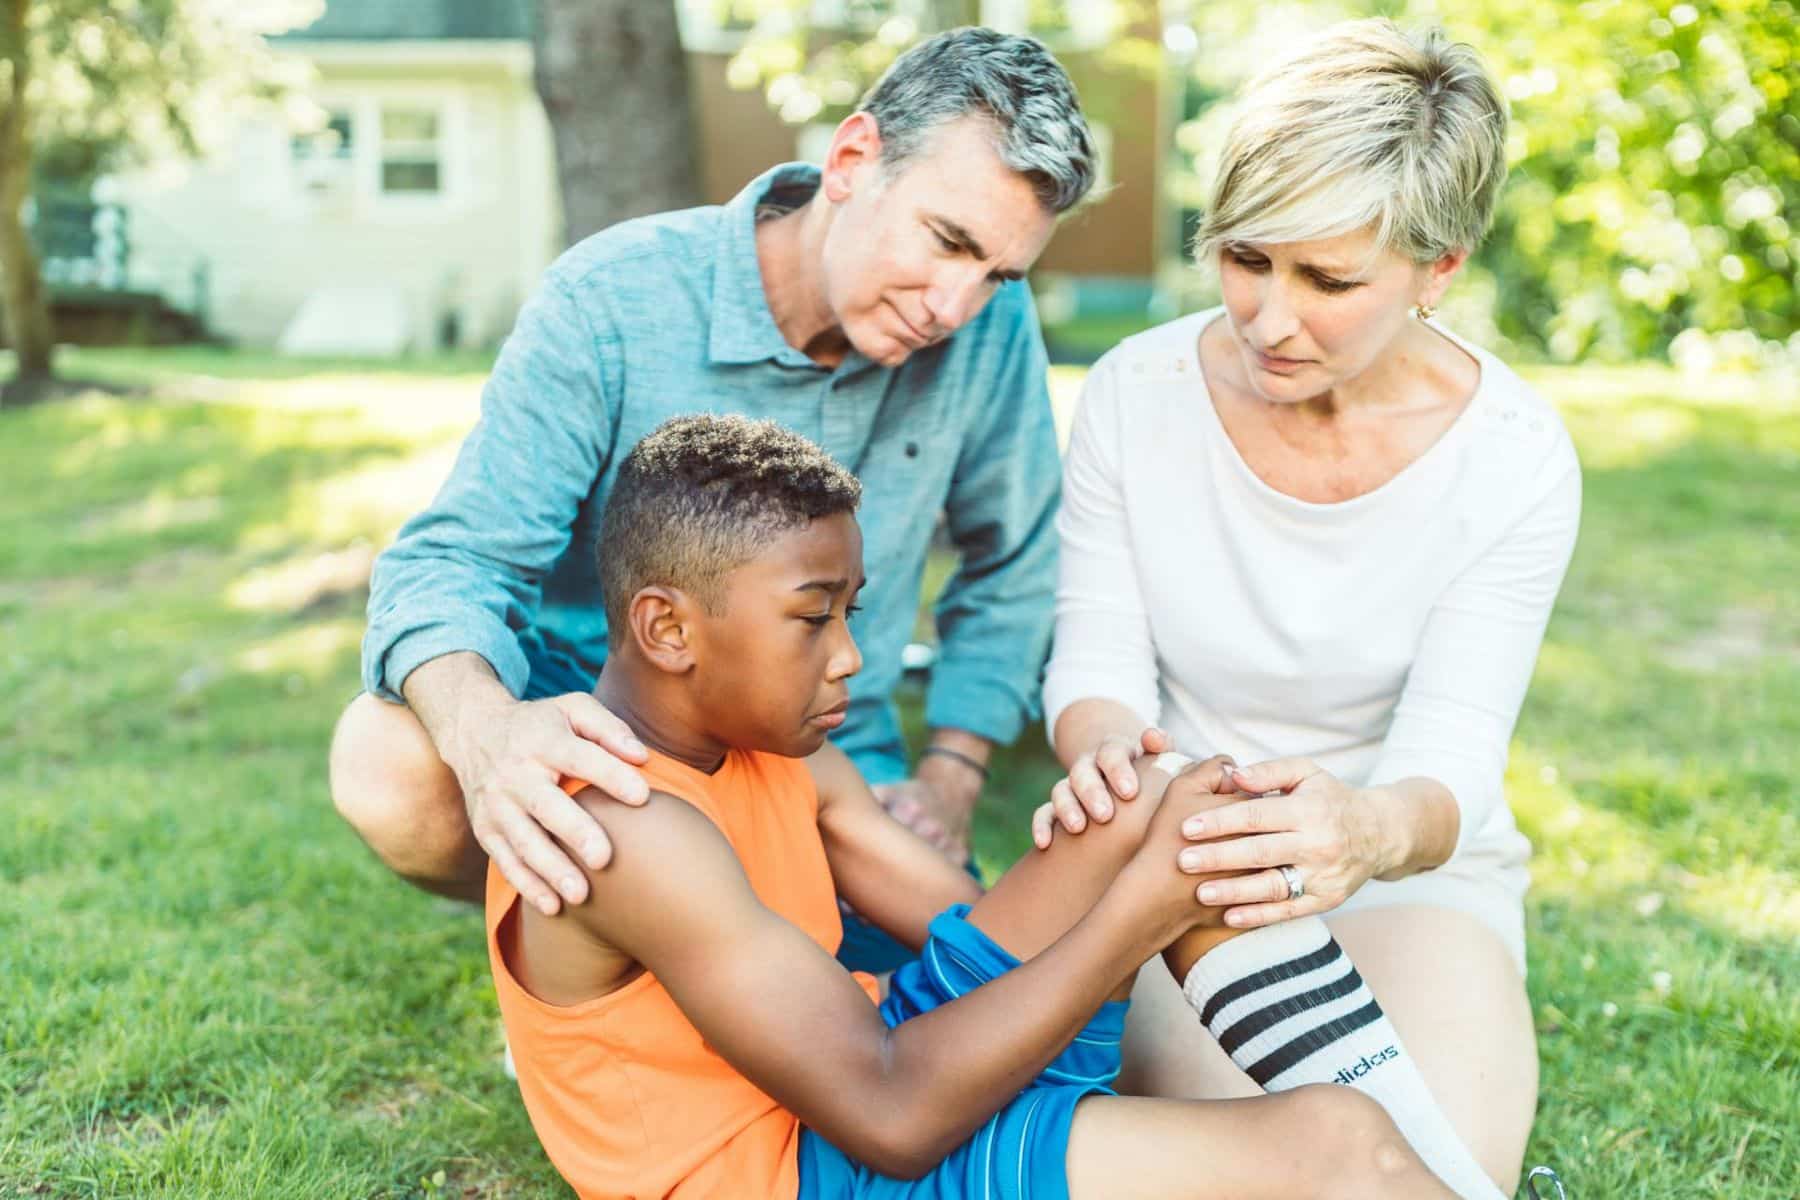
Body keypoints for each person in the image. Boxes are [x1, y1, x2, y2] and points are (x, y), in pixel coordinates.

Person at [491, 411, 1485, 1200]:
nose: (850, 657)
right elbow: (891, 1115)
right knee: (1335, 1147)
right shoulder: (619, 827)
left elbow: (964, 922)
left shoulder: (770, 753)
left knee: (1164, 802)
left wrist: (1121, 846)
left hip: (875, 1066)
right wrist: (1139, 915)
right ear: (667, 627)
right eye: (811, 618)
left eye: (852, 611)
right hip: (801, 1167)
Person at [329, 29, 1093, 970]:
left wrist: (952, 775)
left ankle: (699, 921)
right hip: (599, 716)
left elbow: (1014, 561)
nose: (955, 306)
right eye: (947, 243)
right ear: (853, 160)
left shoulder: (989, 332)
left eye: (998, 275)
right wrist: (486, 734)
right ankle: (568, 935)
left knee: (939, 1001)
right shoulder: (612, 296)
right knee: (389, 759)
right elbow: (457, 558)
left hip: (826, 752)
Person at [1038, 20, 1581, 1192]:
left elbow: (1451, 758)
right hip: (1188, 855)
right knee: (1273, 1160)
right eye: (1245, 257)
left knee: (1439, 1161)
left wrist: (1362, 833)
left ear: (1441, 269)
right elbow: (1095, 659)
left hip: (1405, 860)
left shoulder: (1516, 457)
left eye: (1329, 279)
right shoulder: (1138, 394)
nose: (1267, 319)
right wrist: (1107, 757)